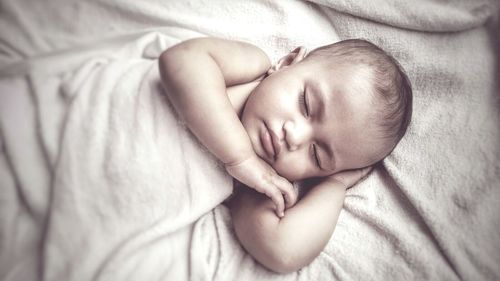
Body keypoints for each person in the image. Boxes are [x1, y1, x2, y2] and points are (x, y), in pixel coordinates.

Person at [158, 37, 412, 273]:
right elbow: (181, 60)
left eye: (317, 155)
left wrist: (335, 185)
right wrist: (240, 157)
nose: (295, 137)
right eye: (306, 104)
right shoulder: (252, 67)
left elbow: (282, 251)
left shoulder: (258, 183)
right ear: (288, 63)